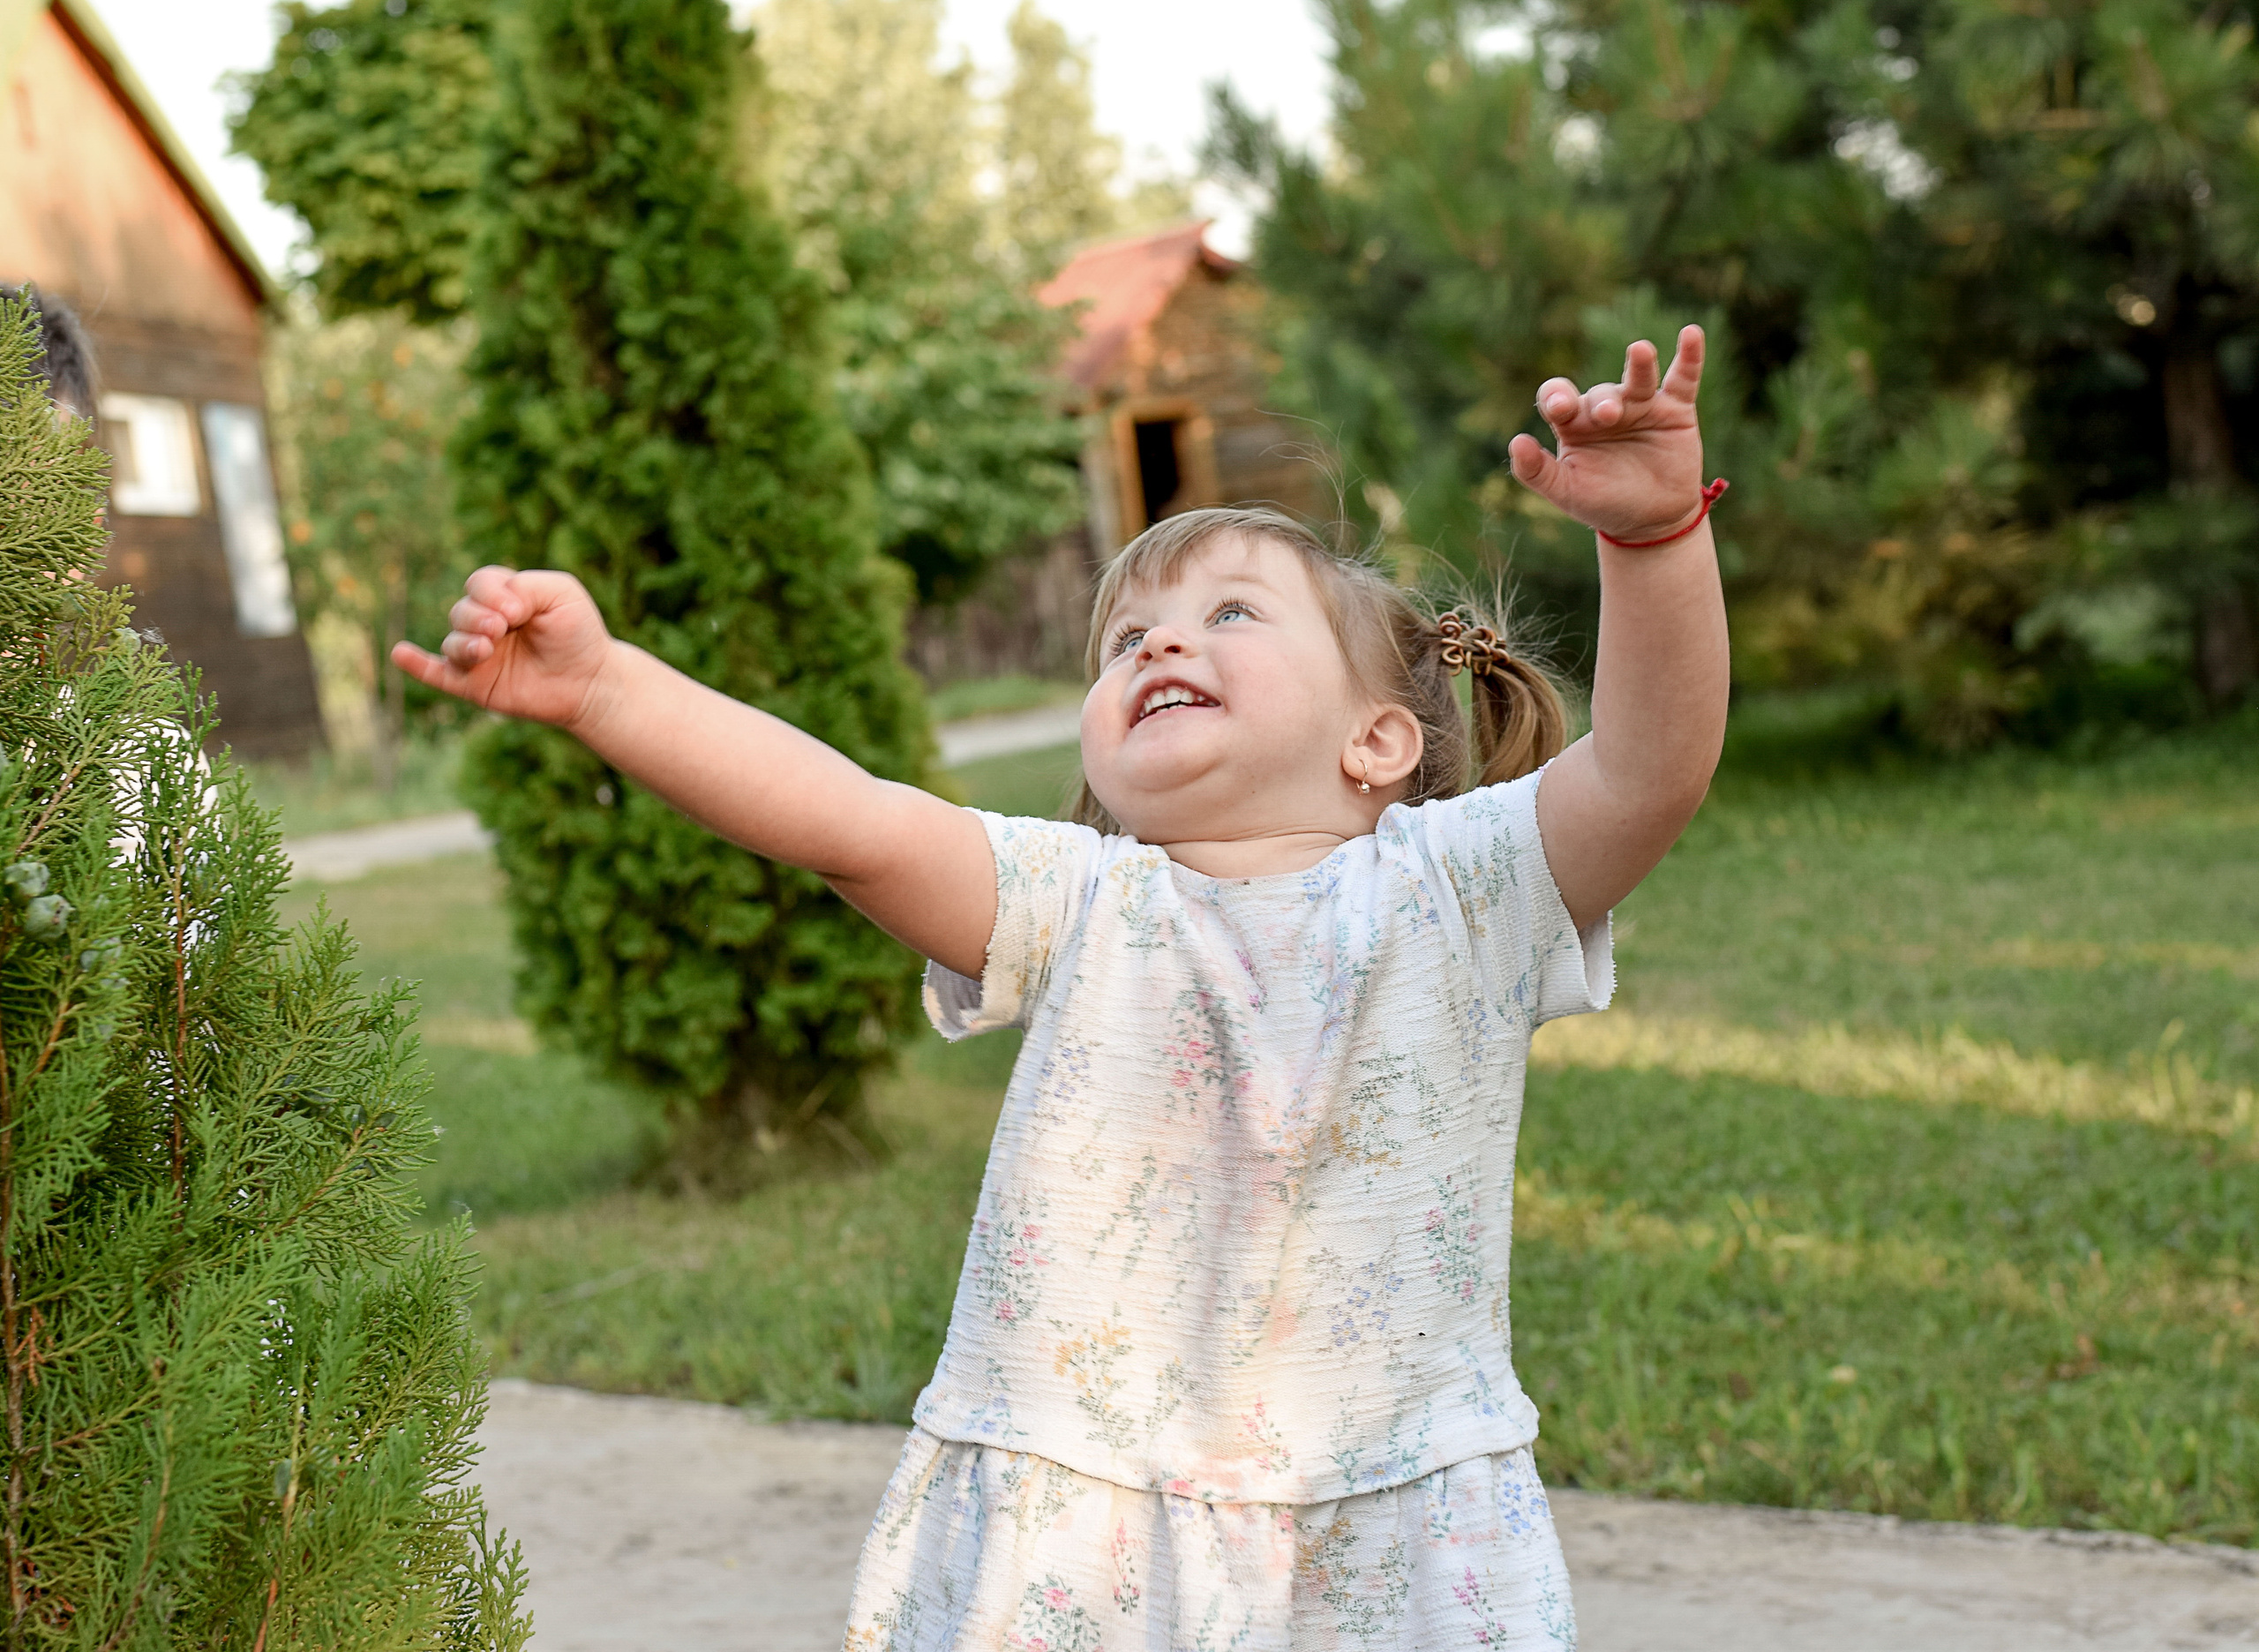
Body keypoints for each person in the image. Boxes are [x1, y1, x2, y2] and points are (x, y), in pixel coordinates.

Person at [395, 327, 1729, 1646]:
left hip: (1388, 1535)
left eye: (1228, 614)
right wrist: (604, 689)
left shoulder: (1462, 892)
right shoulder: (1078, 902)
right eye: (1124, 638)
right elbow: (844, 819)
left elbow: (1650, 768)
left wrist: (1654, 539)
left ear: (1377, 741)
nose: (1155, 647)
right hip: (1080, 1529)